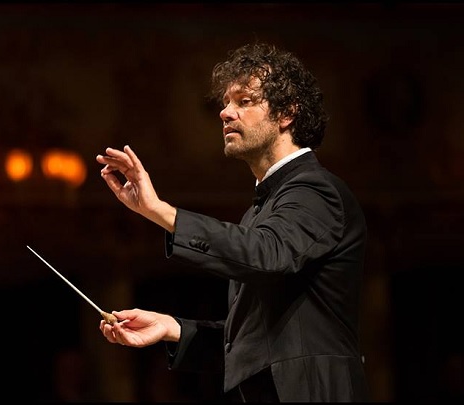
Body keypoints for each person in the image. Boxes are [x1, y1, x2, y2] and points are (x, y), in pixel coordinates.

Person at [95, 42, 370, 402]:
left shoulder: (316, 190)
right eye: (225, 103)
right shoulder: (261, 210)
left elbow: (266, 255)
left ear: (287, 113)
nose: (225, 113)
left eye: (243, 101)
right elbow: (256, 339)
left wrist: (158, 210)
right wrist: (171, 327)